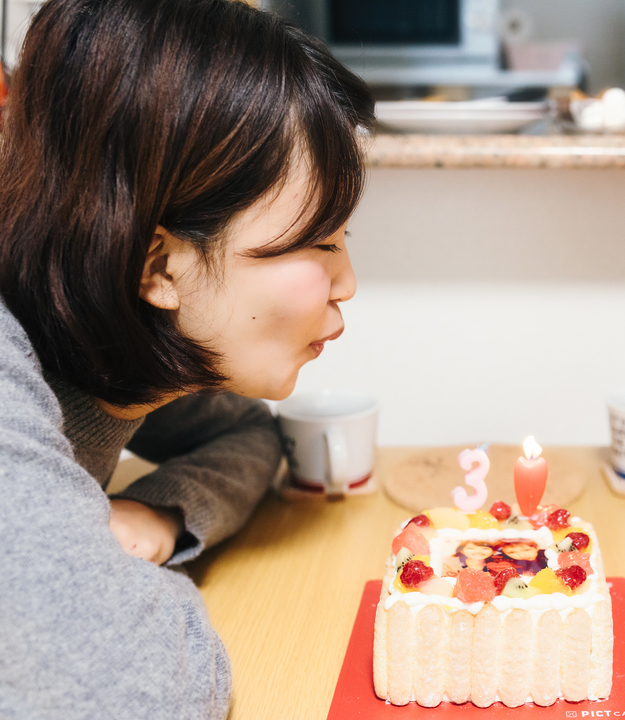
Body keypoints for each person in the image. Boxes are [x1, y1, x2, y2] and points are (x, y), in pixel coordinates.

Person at [0, 0, 375, 717]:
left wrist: (159, 514)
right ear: (159, 268)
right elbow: (138, 686)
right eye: (318, 241)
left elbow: (247, 433)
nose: (348, 284)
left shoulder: (117, 351)